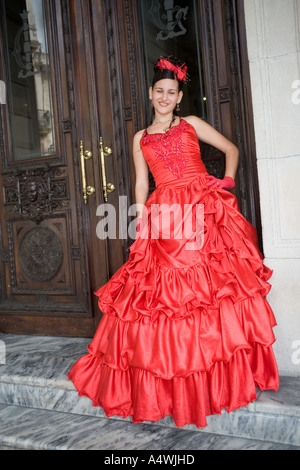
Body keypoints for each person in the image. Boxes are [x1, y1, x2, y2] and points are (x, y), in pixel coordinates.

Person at [68, 56, 279, 428]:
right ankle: (177, 378)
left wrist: (226, 181)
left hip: (202, 203)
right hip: (165, 211)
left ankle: (217, 379)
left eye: (172, 92)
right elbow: (140, 183)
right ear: (151, 94)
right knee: (168, 298)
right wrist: (140, 217)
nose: (165, 97)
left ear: (179, 97)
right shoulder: (140, 137)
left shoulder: (192, 123)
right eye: (159, 91)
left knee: (210, 290)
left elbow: (232, 150)